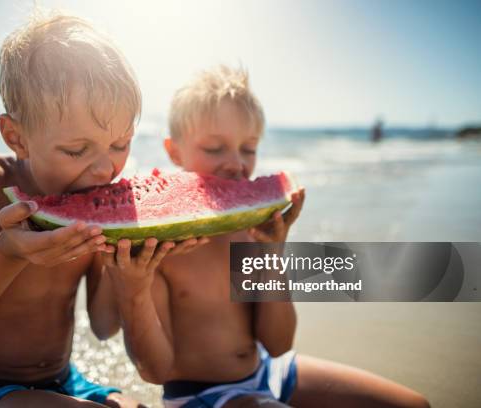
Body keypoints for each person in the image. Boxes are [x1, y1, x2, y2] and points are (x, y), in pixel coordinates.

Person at [99, 66, 430, 408]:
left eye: (249, 149)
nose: (236, 163)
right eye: (215, 148)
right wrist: (134, 288)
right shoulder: (159, 245)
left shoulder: (251, 229)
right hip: (203, 396)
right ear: (174, 151)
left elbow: (278, 343)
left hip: (271, 371)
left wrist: (273, 252)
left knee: (414, 404)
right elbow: (155, 370)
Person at [0, 10, 152, 407]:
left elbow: (104, 325)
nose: (106, 167)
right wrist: (7, 253)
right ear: (16, 137)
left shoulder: (98, 191)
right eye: (76, 150)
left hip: (64, 384)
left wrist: (129, 275)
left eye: (120, 144)